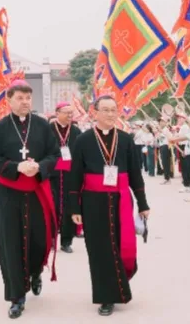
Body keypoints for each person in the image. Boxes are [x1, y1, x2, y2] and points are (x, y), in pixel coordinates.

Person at [0, 80, 60, 319]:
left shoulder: (43, 125)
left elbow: (54, 154)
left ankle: (36, 272)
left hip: (37, 191)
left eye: (28, 98)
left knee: (39, 239)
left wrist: (39, 166)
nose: (25, 102)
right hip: (9, 194)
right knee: (11, 243)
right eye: (20, 98)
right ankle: (17, 296)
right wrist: (17, 167)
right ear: (9, 100)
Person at [68, 95, 150, 317]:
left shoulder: (125, 139)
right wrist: (74, 208)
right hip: (93, 201)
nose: (111, 114)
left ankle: (118, 288)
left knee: (120, 245)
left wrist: (143, 203)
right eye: (105, 110)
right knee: (99, 249)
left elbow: (135, 173)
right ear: (95, 112)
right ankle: (106, 297)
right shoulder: (83, 140)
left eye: (114, 110)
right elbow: (75, 175)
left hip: (121, 199)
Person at [49, 102, 81, 254]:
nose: (70, 115)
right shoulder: (48, 130)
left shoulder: (76, 131)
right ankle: (51, 238)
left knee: (70, 208)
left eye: (71, 113)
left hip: (70, 174)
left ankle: (66, 241)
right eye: (66, 112)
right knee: (52, 207)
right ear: (57, 113)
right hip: (52, 174)